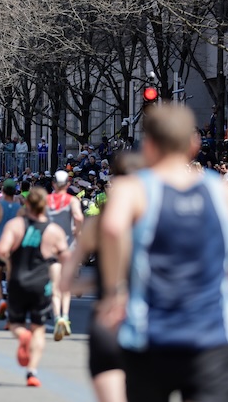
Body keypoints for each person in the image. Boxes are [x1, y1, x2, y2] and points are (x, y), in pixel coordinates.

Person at [98, 103, 228, 402]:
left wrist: (114, 291)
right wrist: (225, 281)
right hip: (210, 338)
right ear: (194, 145)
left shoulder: (133, 190)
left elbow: (111, 230)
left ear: (148, 146)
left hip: (150, 334)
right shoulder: (223, 192)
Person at [59, 153, 144, 402]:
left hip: (111, 319)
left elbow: (67, 281)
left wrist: (96, 282)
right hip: (157, 320)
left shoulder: (100, 223)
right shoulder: (165, 218)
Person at [0, 187, 68, 387]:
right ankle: (32, 372)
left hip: (18, 280)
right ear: (45, 206)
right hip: (41, 284)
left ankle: (22, 335)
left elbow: (1, 250)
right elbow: (65, 256)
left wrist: (10, 260)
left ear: (26, 204)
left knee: (16, 323)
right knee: (39, 328)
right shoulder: (54, 230)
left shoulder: (16, 225)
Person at [47, 170, 84, 341]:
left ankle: (57, 318)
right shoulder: (72, 200)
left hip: (51, 247)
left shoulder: (46, 200)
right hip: (68, 247)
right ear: (68, 184)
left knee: (55, 286)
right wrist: (77, 230)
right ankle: (65, 316)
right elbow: (78, 217)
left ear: (53, 184)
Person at [0, 180, 24, 325]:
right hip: (14, 244)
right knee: (11, 274)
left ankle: (1, 300)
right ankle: (11, 297)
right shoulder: (19, 208)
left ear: (3, 191)